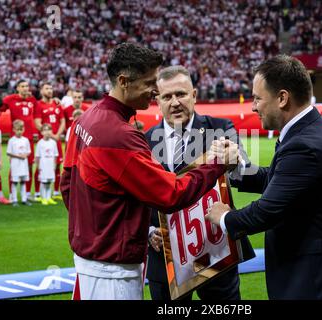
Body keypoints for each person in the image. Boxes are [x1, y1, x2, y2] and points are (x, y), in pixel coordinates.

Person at [60, 42, 230, 300]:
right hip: (113, 271)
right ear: (124, 81)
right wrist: (216, 164)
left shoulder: (86, 118)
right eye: (149, 83)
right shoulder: (120, 135)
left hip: (90, 261)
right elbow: (171, 195)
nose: (154, 91)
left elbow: (67, 186)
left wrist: (93, 229)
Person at [205, 54, 322, 300]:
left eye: (258, 98)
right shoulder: (313, 128)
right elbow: (280, 179)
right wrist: (237, 167)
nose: (253, 106)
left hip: (316, 279)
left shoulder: (304, 144)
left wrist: (224, 217)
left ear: (282, 98)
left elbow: (266, 212)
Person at [145, 65, 254, 301]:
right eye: (167, 96)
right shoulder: (143, 142)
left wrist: (235, 161)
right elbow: (134, 198)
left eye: (181, 94)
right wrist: (149, 231)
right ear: (158, 101)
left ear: (194, 95)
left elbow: (244, 173)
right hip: (164, 258)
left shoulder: (220, 128)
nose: (174, 102)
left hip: (216, 252)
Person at [0, 80, 38, 201]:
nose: (25, 88)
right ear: (17, 88)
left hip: (29, 139)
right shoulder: (10, 99)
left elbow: (39, 111)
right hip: (15, 138)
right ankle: (12, 194)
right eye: (22, 86)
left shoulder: (32, 100)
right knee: (14, 166)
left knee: (29, 166)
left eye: (27, 86)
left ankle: (26, 194)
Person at [34, 83, 66, 200]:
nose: (50, 90)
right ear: (41, 91)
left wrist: (58, 135)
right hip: (45, 140)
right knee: (41, 165)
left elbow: (62, 121)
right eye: (47, 88)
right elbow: (37, 123)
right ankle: (38, 193)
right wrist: (52, 135)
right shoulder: (38, 105)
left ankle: (56, 192)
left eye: (51, 88)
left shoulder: (57, 104)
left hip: (56, 139)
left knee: (57, 164)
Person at [7, 120, 32, 206]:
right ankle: (14, 200)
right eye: (17, 130)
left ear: (23, 129)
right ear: (14, 129)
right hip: (15, 164)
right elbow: (8, 152)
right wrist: (18, 156)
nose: (19, 131)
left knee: (23, 181)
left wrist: (25, 155)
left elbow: (29, 151)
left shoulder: (25, 140)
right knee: (14, 182)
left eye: (21, 129)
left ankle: (24, 199)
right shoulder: (11, 140)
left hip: (23, 165)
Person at [35, 124, 58, 205]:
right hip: (43, 166)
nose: (47, 132)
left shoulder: (53, 143)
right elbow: (37, 157)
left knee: (49, 182)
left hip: (50, 166)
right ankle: (43, 197)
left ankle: (48, 197)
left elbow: (55, 155)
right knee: (43, 182)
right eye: (45, 130)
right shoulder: (40, 143)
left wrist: (54, 166)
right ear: (41, 132)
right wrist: (38, 167)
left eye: (49, 130)